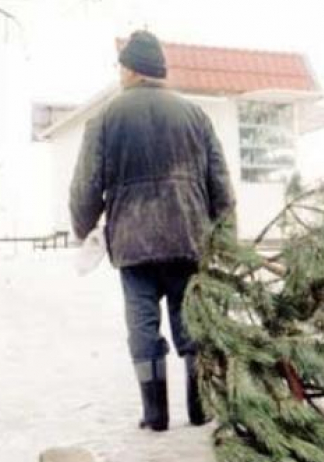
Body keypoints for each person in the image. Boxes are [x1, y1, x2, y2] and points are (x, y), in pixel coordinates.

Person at [69, 30, 235, 432]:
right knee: (191, 321)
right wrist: (226, 237)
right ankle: (200, 409)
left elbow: (86, 185)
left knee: (142, 324)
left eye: (120, 67)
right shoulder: (195, 115)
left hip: (133, 241)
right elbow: (220, 184)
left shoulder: (105, 119)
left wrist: (83, 225)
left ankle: (155, 414)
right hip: (188, 236)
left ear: (130, 70)